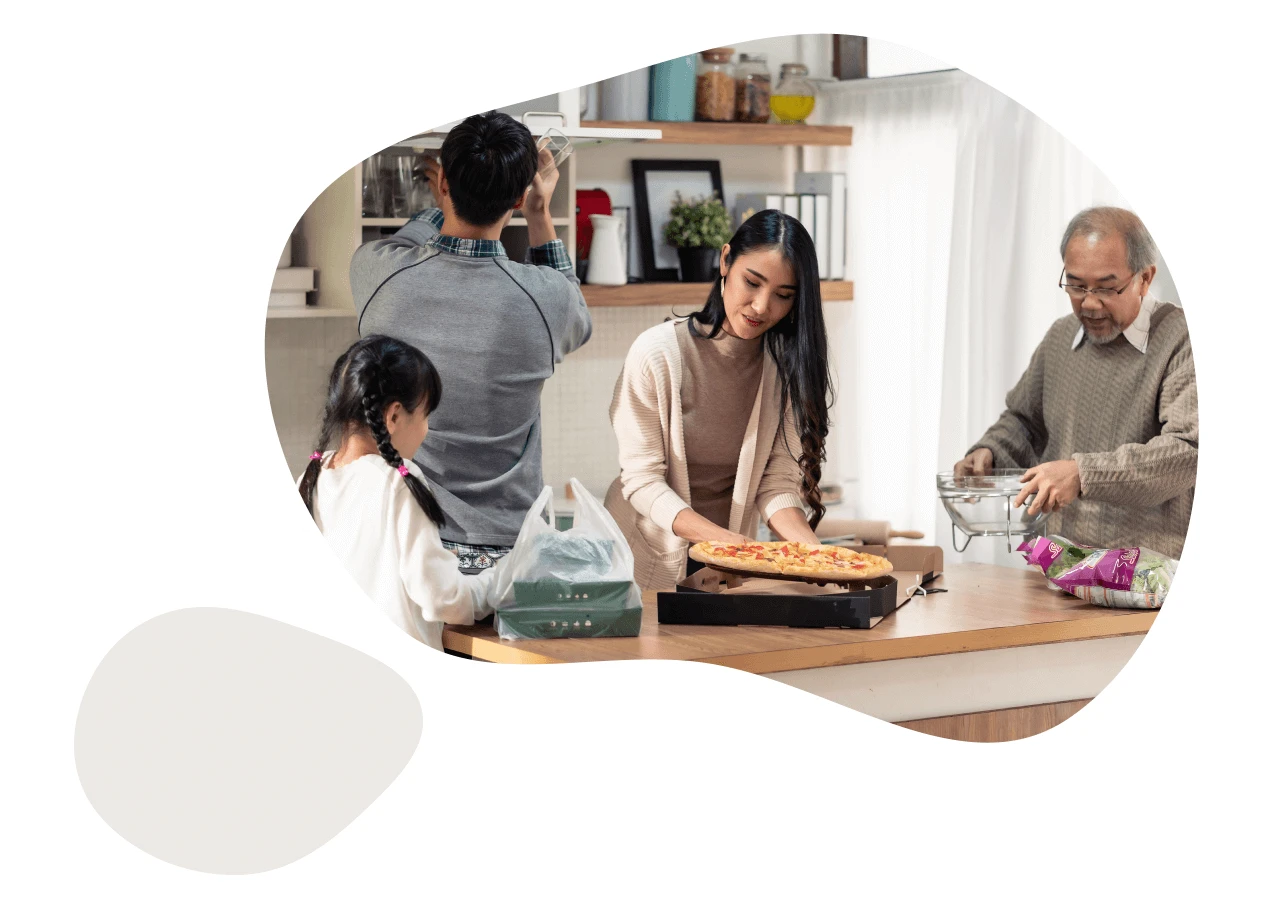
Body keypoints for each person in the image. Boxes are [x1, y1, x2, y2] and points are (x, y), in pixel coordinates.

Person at [350, 111, 592, 574]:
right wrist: (539, 214)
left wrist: (437, 202)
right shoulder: (546, 300)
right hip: (508, 558)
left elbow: (406, 244)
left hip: (406, 546)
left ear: (442, 184)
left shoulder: (377, 273)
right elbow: (573, 304)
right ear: (520, 196)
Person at [605, 209, 833, 589]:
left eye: (783, 295)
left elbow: (776, 485)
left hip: (726, 567)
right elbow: (643, 481)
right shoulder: (656, 354)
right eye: (752, 282)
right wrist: (724, 541)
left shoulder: (786, 370)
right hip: (639, 560)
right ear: (726, 261)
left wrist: (819, 556)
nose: (762, 306)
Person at [954, 206, 1197, 558]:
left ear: (1145, 278)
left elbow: (1187, 453)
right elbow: (1023, 422)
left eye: (1107, 287)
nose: (1090, 304)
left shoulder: (1182, 339)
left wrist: (1083, 474)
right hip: (1055, 565)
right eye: (1076, 285)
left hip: (1146, 579)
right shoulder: (1061, 336)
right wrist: (989, 452)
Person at [297, 335, 495, 650]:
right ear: (393, 416)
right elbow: (441, 598)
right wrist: (496, 586)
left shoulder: (310, 478)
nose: (427, 429)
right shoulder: (398, 481)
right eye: (426, 415)